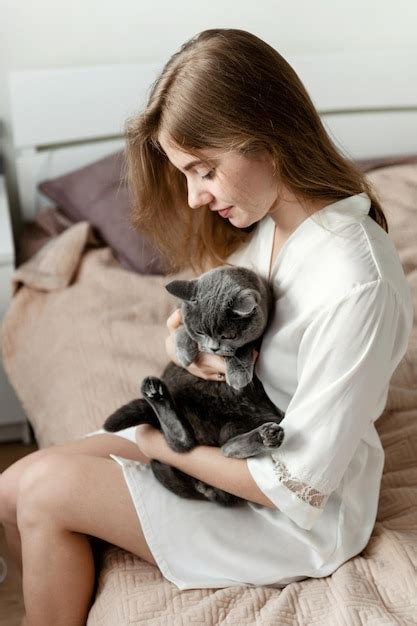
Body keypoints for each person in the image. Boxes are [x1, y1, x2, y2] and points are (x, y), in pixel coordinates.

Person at [0, 28, 413, 626]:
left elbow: (292, 485)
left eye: (204, 170)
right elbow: (187, 325)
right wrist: (195, 351)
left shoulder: (356, 279)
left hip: (290, 515)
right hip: (224, 438)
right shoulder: (277, 229)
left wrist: (155, 442)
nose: (195, 197)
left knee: (43, 493)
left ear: (265, 140)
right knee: (12, 486)